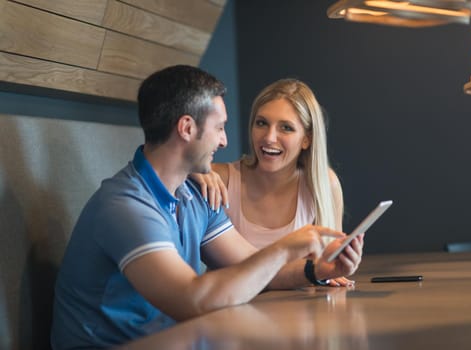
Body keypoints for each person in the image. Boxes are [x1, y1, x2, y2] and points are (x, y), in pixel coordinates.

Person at [50, 65, 363, 349]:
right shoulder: (126, 205)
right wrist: (283, 249)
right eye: (219, 127)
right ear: (187, 128)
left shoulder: (195, 194)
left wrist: (318, 270)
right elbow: (191, 300)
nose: (225, 141)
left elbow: (255, 270)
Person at [192, 79, 360, 286]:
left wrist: (333, 268)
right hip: (228, 310)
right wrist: (191, 170)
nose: (269, 137)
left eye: (286, 128)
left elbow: (328, 266)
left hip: (299, 312)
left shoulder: (324, 184)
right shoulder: (217, 179)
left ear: (307, 139)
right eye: (261, 123)